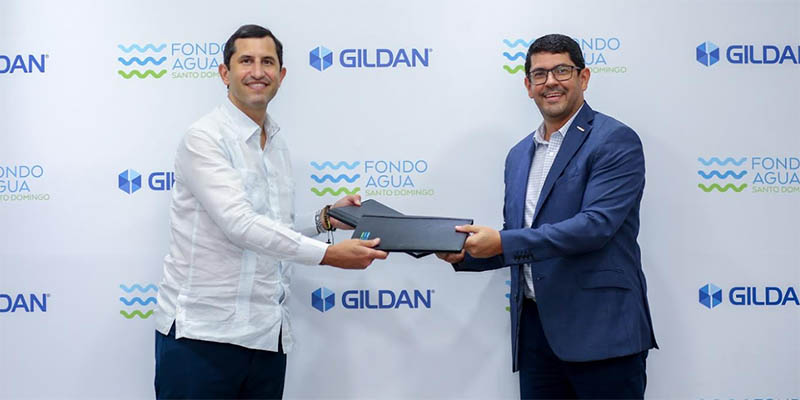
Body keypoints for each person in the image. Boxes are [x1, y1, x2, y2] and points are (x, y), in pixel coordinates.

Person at [153, 24, 387, 399]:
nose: (258, 71)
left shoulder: (276, 143)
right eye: (246, 61)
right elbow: (240, 225)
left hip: (266, 337)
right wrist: (328, 255)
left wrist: (323, 220)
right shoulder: (204, 138)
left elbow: (272, 228)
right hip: (202, 337)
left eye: (268, 62)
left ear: (281, 74)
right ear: (224, 73)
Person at [438, 34, 657, 399]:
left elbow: (595, 226)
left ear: (583, 77)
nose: (550, 81)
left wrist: (502, 241)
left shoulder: (614, 139)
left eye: (561, 71)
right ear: (528, 86)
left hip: (601, 332)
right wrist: (465, 253)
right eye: (539, 74)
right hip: (536, 336)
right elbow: (518, 237)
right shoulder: (518, 155)